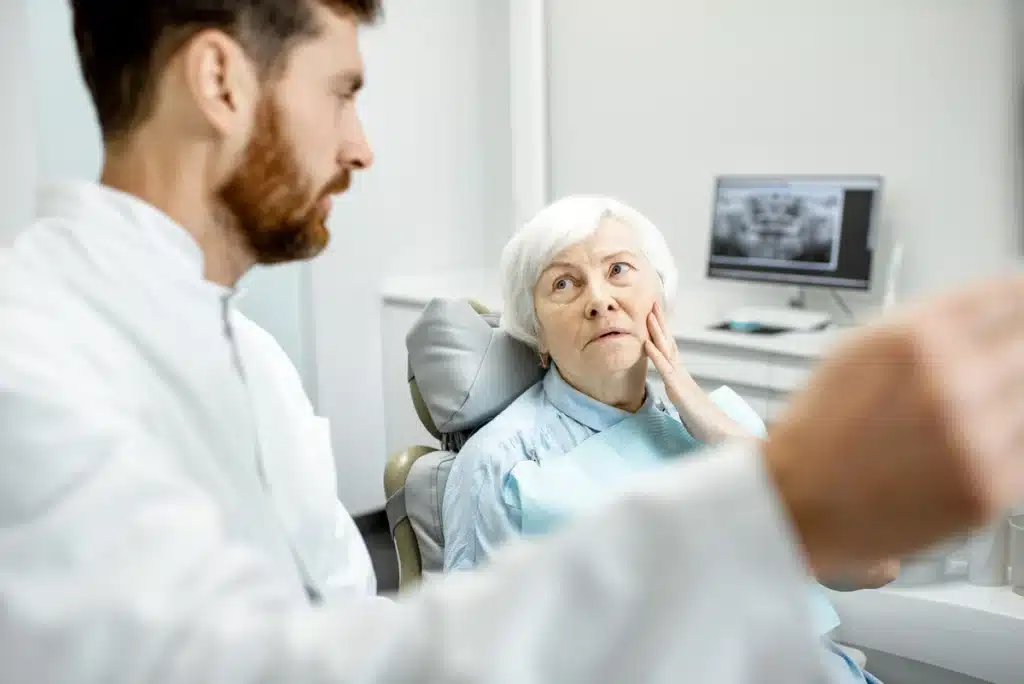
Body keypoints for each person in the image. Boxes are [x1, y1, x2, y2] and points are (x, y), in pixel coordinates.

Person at [0, 2, 1023, 683]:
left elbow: (357, 637)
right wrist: (777, 498)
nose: (362, 147)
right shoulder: (33, 367)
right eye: (344, 91)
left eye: (621, 271)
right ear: (221, 82)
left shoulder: (254, 364)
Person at [441, 195, 891, 682]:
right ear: (538, 335)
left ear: (660, 295)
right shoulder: (503, 460)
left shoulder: (723, 426)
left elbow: (873, 566)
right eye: (564, 284)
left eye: (618, 270)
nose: (599, 300)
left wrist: (711, 423)